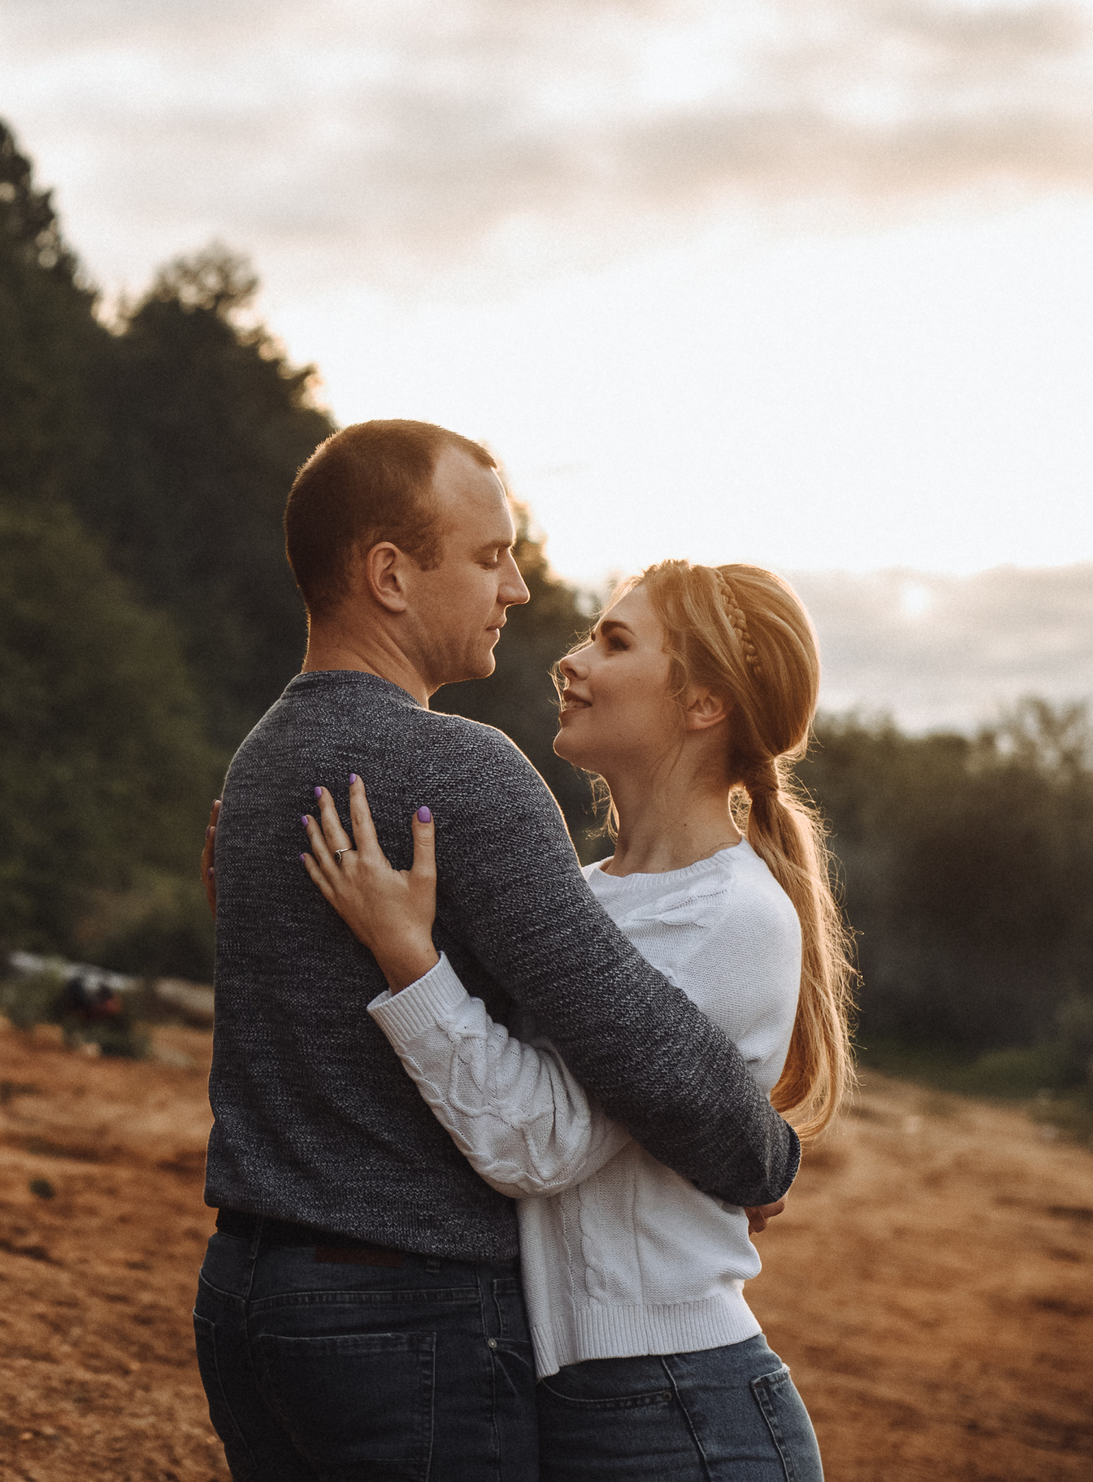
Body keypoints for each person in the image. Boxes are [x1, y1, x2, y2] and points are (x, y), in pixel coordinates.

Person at [192, 419, 799, 1482]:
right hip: (403, 1309)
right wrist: (763, 1153)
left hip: (247, 1294)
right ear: (389, 574)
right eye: (488, 557)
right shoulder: (461, 772)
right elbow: (635, 1044)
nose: (517, 591)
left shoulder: (257, 768)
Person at [297, 560, 849, 1480]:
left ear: (704, 702)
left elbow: (536, 1143)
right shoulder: (578, 898)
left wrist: (409, 956)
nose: (571, 658)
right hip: (568, 1396)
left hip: (681, 1408)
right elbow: (466, 1071)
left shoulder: (733, 916)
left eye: (615, 641)